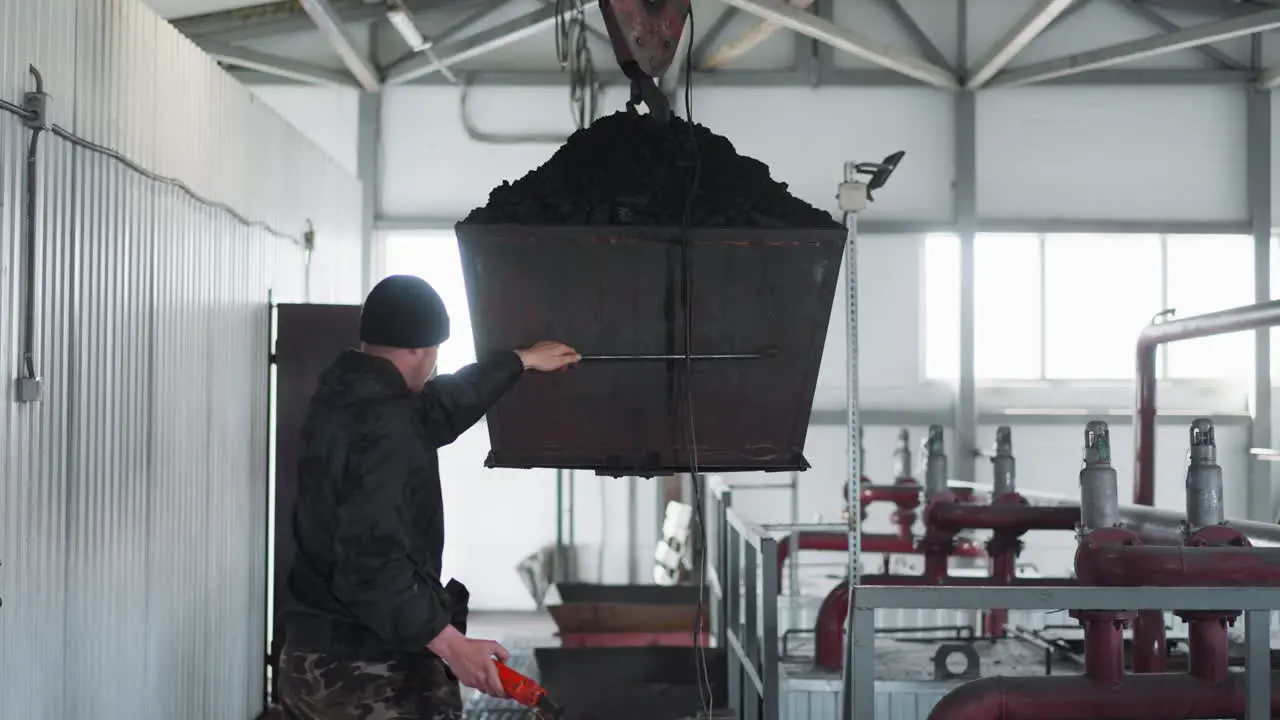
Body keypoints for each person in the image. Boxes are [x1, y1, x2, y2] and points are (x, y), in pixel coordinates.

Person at [277, 274, 580, 719]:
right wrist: (453, 646)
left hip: (310, 656)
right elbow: (371, 563)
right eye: (436, 351)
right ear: (420, 349)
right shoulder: (385, 429)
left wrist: (518, 361)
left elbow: (439, 407)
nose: (436, 364)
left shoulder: (347, 395)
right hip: (363, 674)